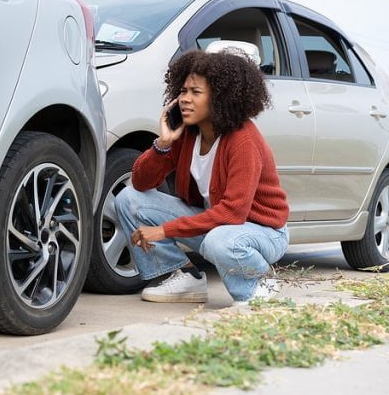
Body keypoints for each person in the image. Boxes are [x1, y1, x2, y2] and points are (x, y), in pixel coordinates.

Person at [114, 48, 289, 305]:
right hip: (220, 224)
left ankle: (258, 286)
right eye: (183, 91)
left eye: (196, 92)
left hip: (263, 231)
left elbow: (233, 213)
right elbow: (140, 182)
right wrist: (163, 143)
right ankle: (184, 276)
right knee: (129, 198)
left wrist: (164, 230)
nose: (185, 99)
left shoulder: (243, 140)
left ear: (220, 97)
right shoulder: (188, 135)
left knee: (221, 241)